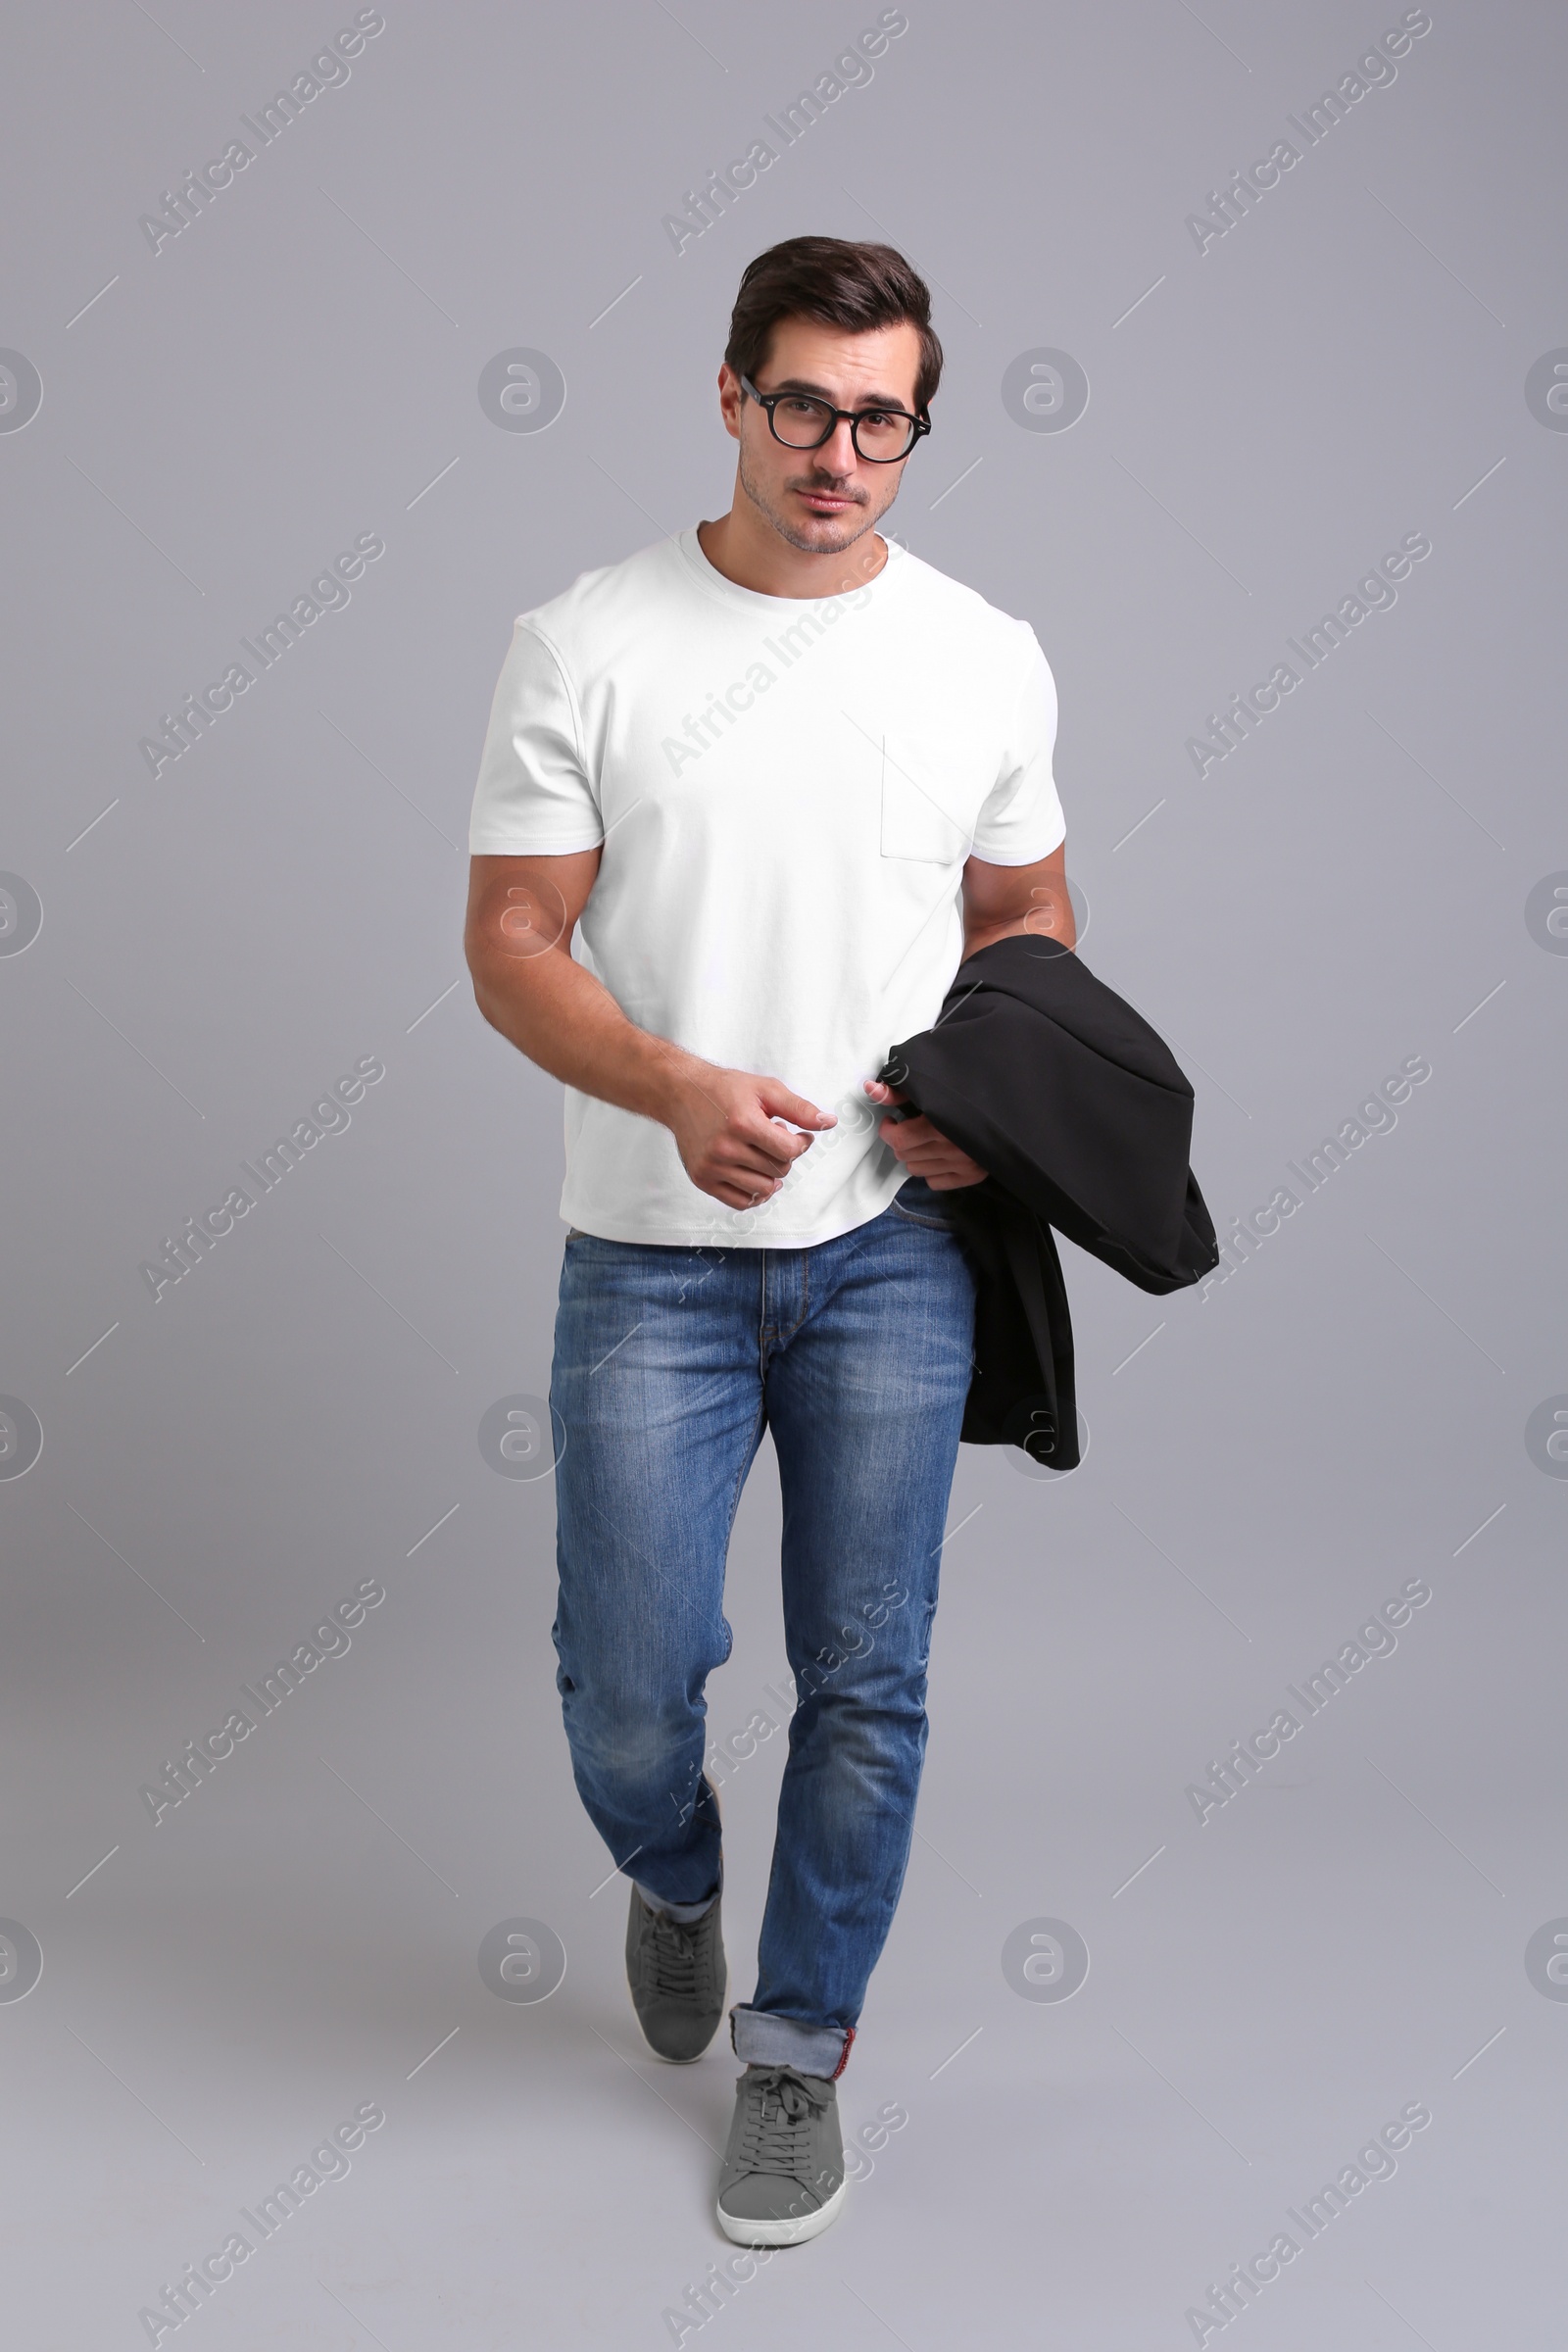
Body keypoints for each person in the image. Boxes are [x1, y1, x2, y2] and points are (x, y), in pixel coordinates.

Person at [464, 233, 1074, 2246]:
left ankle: (794, 2052)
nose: (834, 450)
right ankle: (669, 1869)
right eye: (799, 402)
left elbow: (1028, 928)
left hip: (893, 1245)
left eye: (875, 414)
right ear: (730, 394)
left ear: (914, 428)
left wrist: (980, 1103)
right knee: (624, 1686)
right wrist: (670, 1089)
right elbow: (510, 940)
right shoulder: (587, 639)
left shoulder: (983, 651)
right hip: (648, 1245)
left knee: (868, 1677)